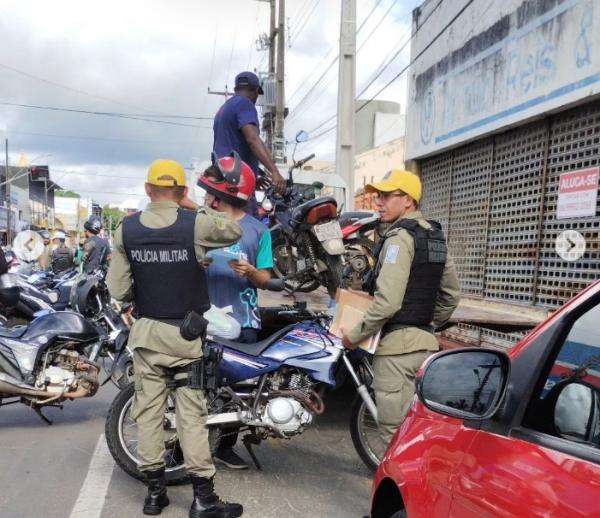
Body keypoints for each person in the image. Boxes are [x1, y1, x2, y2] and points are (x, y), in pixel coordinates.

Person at [107, 159, 244, 518]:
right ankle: (203, 500)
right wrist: (194, 206)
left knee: (149, 414)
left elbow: (118, 289)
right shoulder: (195, 223)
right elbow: (233, 230)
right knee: (191, 417)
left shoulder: (126, 230)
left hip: (147, 337)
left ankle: (154, 496)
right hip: (185, 336)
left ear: (147, 189)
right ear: (182, 191)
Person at [341, 170, 461, 445]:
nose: (378, 203)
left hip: (396, 353)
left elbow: (388, 303)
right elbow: (451, 296)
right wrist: (424, 327)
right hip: (427, 349)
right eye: (377, 196)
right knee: (421, 438)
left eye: (385, 196)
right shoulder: (434, 236)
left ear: (407, 200)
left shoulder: (399, 238)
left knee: (395, 441)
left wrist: (354, 336)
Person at [198, 152, 273, 470]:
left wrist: (251, 272)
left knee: (235, 392)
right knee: (198, 386)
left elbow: (266, 280)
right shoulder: (201, 226)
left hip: (243, 322)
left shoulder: (259, 231)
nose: (204, 197)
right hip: (203, 320)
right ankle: (189, 444)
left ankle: (225, 446)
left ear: (222, 195)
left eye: (209, 192)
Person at [213, 71, 286, 203]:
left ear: (236, 89)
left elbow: (232, 146)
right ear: (256, 91)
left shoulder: (225, 108)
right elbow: (252, 139)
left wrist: (254, 175)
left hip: (224, 179)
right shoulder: (245, 104)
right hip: (237, 184)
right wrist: (274, 171)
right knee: (249, 222)